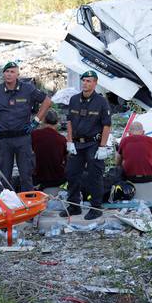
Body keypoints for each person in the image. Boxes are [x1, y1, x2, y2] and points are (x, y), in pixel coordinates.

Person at [0, 61, 52, 192]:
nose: (9, 74)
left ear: (18, 74)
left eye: (12, 72)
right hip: (4, 139)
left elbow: (47, 101)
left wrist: (36, 121)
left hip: (23, 138)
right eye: (7, 71)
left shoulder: (28, 89)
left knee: (26, 174)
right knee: (4, 175)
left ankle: (28, 202)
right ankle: (5, 205)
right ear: (3, 74)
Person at [61, 70, 112, 220]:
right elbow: (69, 121)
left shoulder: (101, 102)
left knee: (94, 176)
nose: (85, 83)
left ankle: (96, 207)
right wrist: (69, 141)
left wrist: (103, 146)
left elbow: (107, 125)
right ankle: (74, 206)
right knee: (71, 173)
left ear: (95, 83)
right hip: (77, 143)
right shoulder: (74, 99)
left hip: (93, 144)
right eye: (83, 80)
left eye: (89, 81)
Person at [31, 111, 67, 188]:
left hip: (37, 178)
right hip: (57, 179)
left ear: (43, 121)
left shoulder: (34, 135)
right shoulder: (62, 139)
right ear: (57, 122)